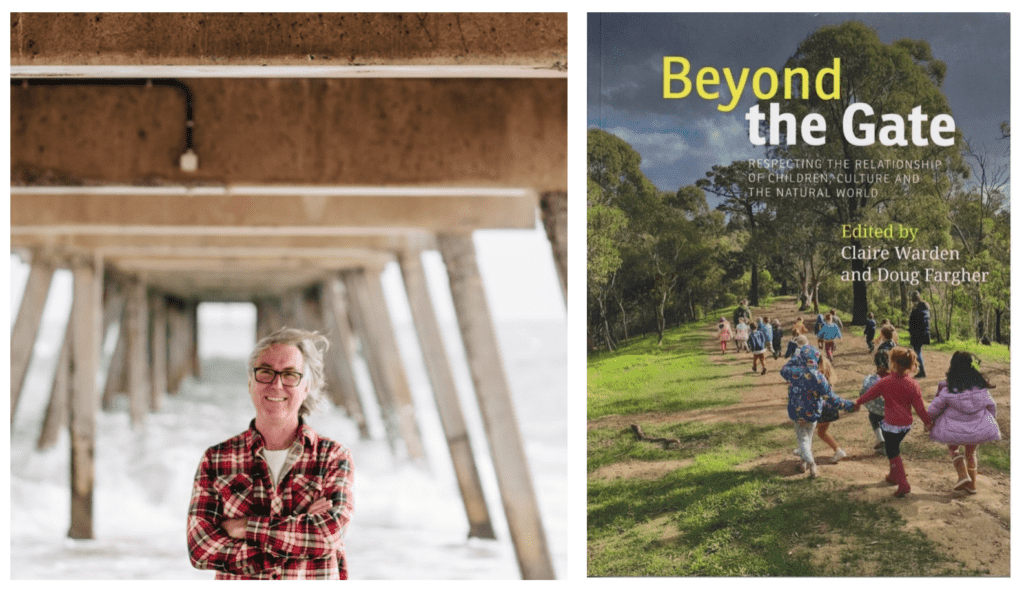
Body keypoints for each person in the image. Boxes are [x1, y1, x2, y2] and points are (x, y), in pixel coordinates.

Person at [188, 328, 354, 579]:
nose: (276, 384)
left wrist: (244, 527)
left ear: (306, 386)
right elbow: (201, 549)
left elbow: (326, 534)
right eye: (265, 372)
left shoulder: (333, 457)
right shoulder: (216, 459)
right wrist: (297, 536)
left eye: (290, 375)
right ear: (250, 381)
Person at [854, 347, 932, 497]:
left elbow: (869, 395)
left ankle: (903, 484)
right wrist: (927, 422)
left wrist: (857, 402)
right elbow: (920, 407)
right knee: (893, 447)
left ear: (894, 363)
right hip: (906, 425)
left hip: (890, 425)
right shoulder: (913, 384)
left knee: (892, 452)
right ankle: (892, 475)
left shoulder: (885, 382)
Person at [925, 352, 1001, 494]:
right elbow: (992, 406)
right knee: (971, 454)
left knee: (953, 449)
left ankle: (962, 475)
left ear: (953, 368)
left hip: (955, 430)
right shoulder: (981, 389)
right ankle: (972, 486)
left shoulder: (948, 389)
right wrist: (989, 420)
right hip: (977, 428)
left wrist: (928, 420)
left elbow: (935, 407)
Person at [781, 344, 857, 478]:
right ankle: (803, 463)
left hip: (797, 414)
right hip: (813, 414)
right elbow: (832, 398)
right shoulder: (819, 377)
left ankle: (811, 463)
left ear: (801, 359)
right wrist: (848, 405)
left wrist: (796, 358)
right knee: (808, 438)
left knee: (803, 439)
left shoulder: (794, 373)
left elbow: (783, 369)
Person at [814, 357, 849, 463]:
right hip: (830, 408)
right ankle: (838, 450)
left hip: (820, 408)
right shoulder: (828, 376)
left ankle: (804, 455)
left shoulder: (816, 377)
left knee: (807, 431)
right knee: (822, 432)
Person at [860, 349, 891, 455]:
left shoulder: (872, 379)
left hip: (878, 410)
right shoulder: (896, 377)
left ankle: (881, 440)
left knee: (873, 417)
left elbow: (863, 393)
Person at [908, 291, 931, 378]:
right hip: (923, 334)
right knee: (918, 352)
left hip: (917, 335)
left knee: (917, 353)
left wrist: (910, 331)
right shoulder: (925, 311)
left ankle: (922, 371)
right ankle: (921, 369)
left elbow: (912, 323)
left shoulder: (916, 312)